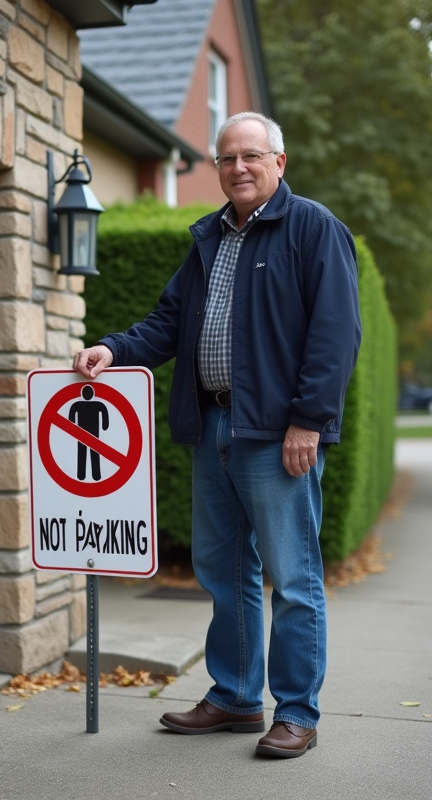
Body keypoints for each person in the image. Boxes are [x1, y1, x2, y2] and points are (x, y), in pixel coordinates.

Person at [72, 111, 361, 759]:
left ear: (279, 162)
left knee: (293, 578)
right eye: (227, 158)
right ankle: (234, 698)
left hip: (279, 431)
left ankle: (297, 713)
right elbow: (168, 323)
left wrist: (308, 420)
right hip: (213, 425)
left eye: (251, 156)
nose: (239, 168)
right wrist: (113, 351)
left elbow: (336, 334)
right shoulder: (209, 238)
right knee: (223, 572)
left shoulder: (313, 228)